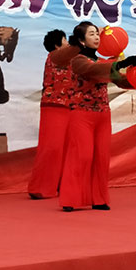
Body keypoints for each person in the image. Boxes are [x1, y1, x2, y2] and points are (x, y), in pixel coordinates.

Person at [59, 22, 136, 212]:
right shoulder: (78, 61)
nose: (96, 37)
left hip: (103, 115)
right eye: (92, 34)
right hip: (81, 115)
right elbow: (93, 70)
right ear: (81, 40)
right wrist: (120, 64)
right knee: (82, 156)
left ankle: (99, 199)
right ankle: (70, 198)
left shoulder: (103, 62)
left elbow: (119, 80)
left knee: (102, 158)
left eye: (97, 34)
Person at [27, 29, 80, 199]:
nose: (67, 43)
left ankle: (62, 185)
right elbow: (74, 49)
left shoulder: (72, 59)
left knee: (67, 148)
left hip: (70, 106)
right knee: (52, 147)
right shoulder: (54, 56)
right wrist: (83, 38)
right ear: (57, 45)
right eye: (65, 40)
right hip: (53, 106)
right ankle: (39, 187)